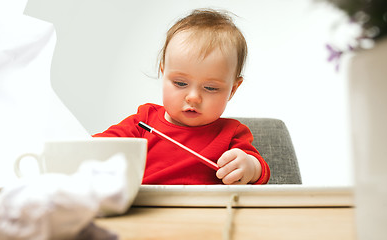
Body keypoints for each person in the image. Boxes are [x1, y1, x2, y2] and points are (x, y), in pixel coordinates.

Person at [93, 8, 270, 185]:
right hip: (147, 210)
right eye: (180, 83)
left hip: (207, 211)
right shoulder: (144, 121)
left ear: (232, 89)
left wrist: (250, 167)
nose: (193, 97)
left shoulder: (231, 133)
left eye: (210, 87)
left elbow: (260, 170)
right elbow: (95, 147)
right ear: (164, 74)